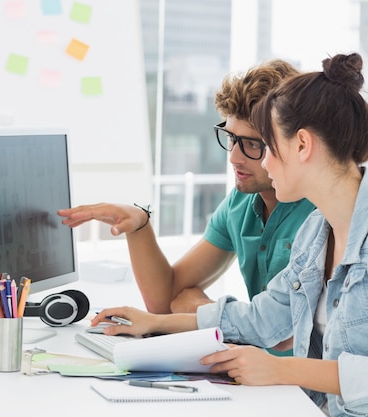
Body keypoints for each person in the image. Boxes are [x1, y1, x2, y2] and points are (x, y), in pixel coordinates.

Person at [92, 52, 368, 417]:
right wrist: (155, 323)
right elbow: (260, 319)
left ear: (302, 145)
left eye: (266, 147)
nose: (263, 162)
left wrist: (280, 368)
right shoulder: (315, 234)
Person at [58, 60, 315, 335]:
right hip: (250, 366)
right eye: (231, 138)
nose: (233, 158)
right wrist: (139, 227)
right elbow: (167, 298)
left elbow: (287, 334)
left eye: (252, 144)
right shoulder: (239, 204)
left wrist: (200, 309)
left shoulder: (320, 211)